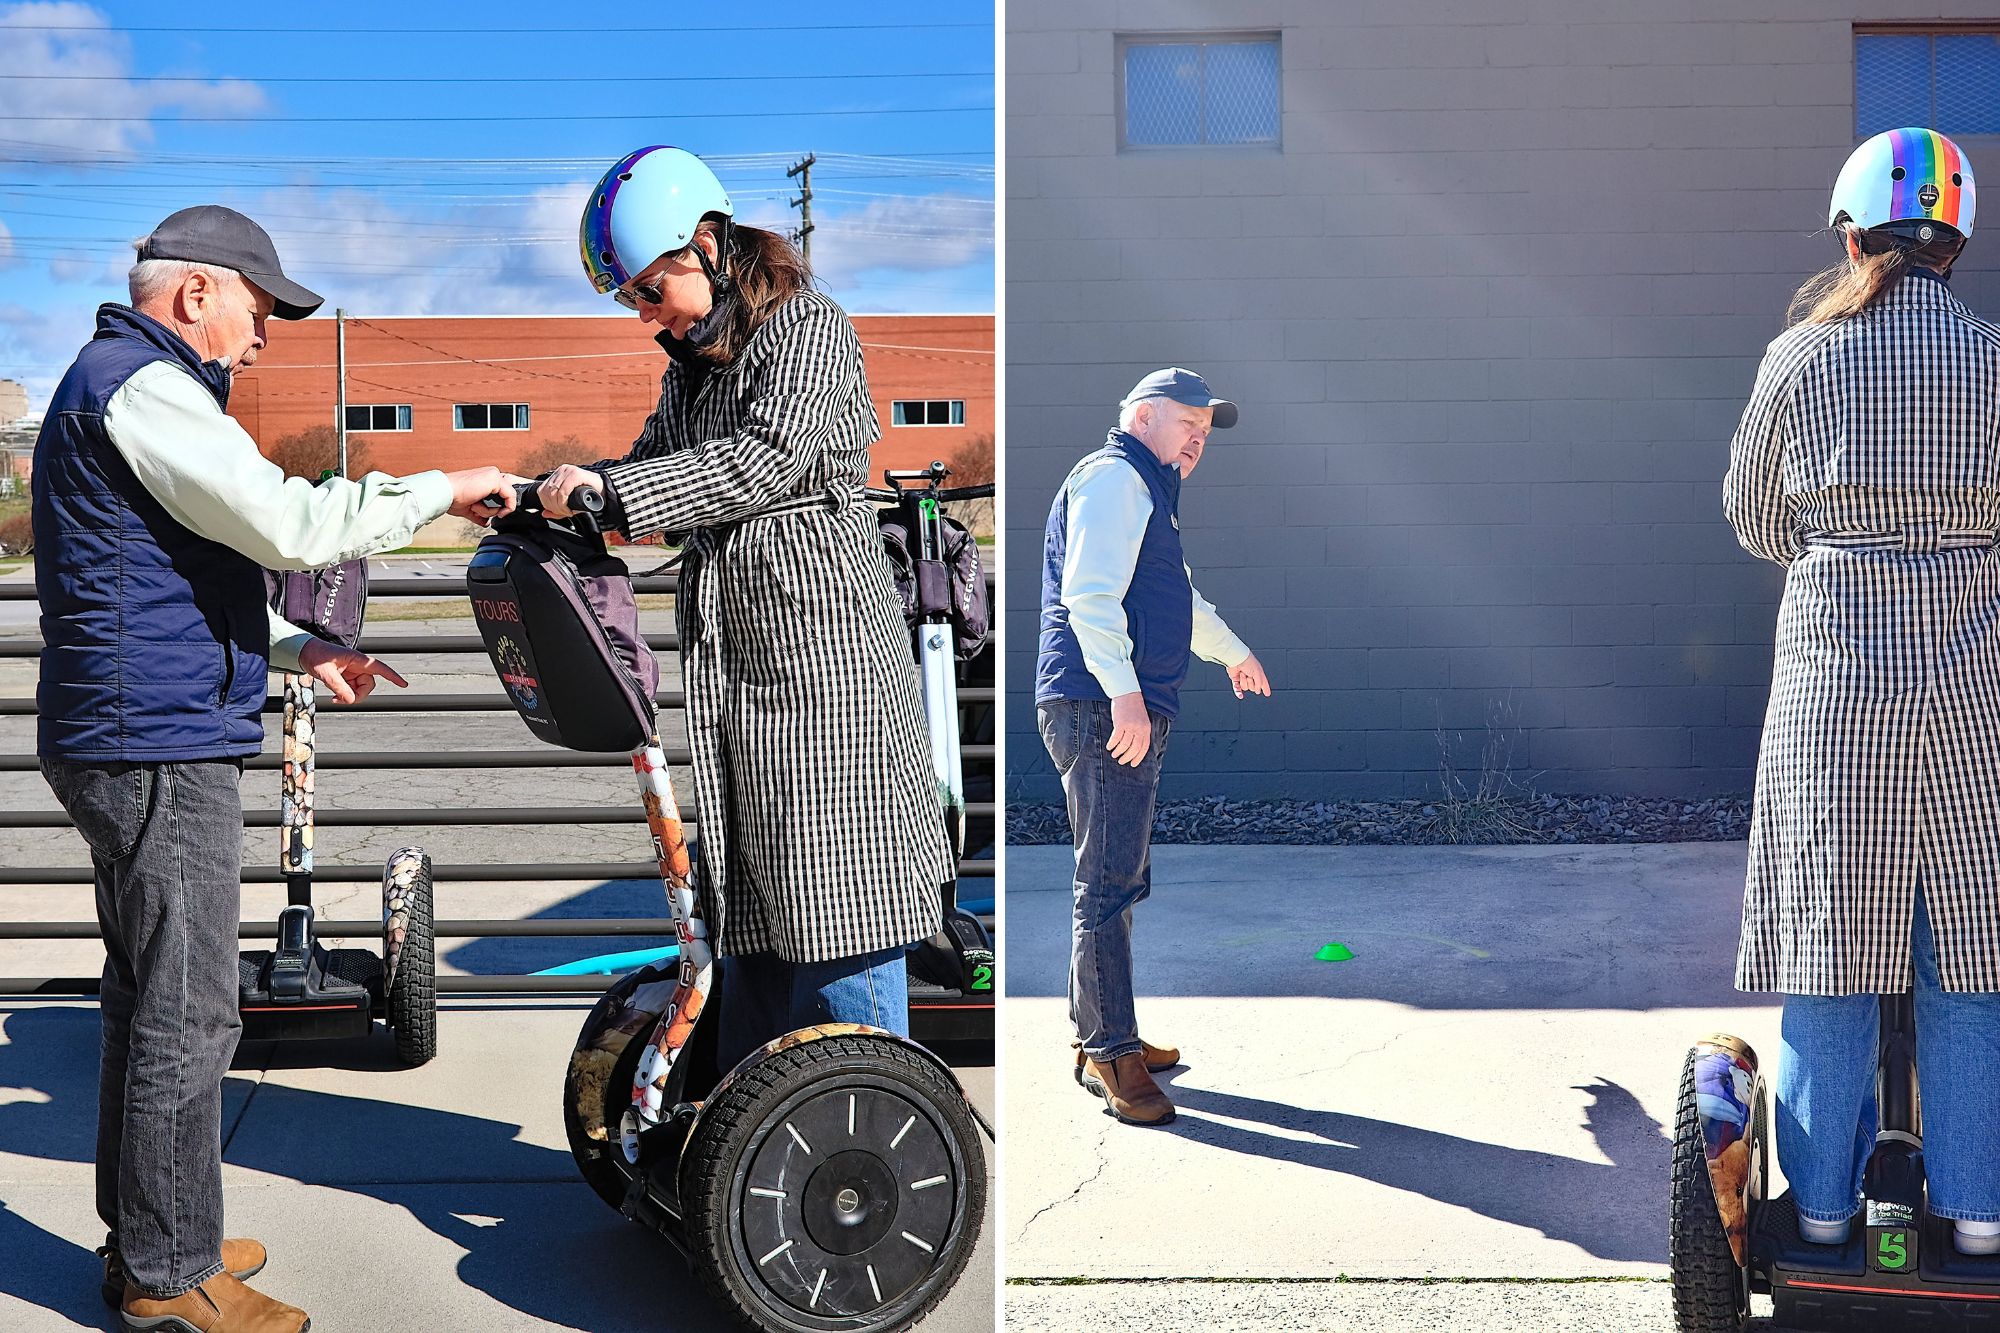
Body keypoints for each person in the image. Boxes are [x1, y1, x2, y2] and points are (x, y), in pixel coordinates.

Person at [34, 204, 517, 1332]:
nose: (263, 340)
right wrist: (440, 487)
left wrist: (305, 650)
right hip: (153, 742)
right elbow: (291, 525)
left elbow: (182, 574)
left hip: (130, 729)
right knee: (192, 1011)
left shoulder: (124, 385)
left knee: (146, 999)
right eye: (260, 312)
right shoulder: (141, 387)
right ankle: (167, 1270)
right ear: (196, 291)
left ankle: (154, 1230)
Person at [542, 146, 951, 1070]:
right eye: (630, 301)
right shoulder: (688, 368)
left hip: (823, 660)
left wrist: (606, 498)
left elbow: (759, 460)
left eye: (649, 289)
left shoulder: (808, 328)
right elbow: (640, 468)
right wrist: (545, 496)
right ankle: (756, 1141)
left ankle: (866, 1118)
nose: (643, 314)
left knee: (840, 897)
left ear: (705, 244)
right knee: (760, 908)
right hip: (738, 668)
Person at [1725, 126, 2000, 1257]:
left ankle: (1826, 1216)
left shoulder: (1799, 357)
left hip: (1834, 689)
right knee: (1971, 957)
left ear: (1851, 235)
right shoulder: (1991, 359)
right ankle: (1979, 1218)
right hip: (1975, 687)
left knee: (1829, 955)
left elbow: (1752, 519)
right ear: (1955, 243)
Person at [1035, 368, 1272, 1127]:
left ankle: (1102, 1031)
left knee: (1116, 876)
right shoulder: (1114, 479)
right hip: (1104, 704)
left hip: (1117, 703)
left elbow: (1179, 600)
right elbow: (1089, 595)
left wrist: (1233, 651)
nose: (1199, 437)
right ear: (1141, 418)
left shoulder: (1148, 491)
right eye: (1187, 422)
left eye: (1207, 428)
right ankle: (1110, 1053)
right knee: (1107, 882)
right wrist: (1124, 693)